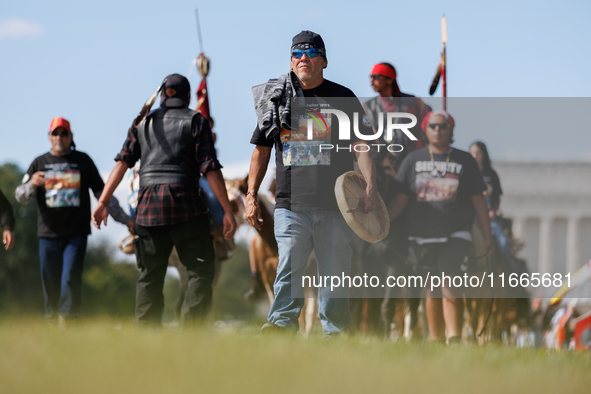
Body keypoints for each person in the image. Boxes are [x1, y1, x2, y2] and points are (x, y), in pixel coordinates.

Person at [246, 30, 378, 337]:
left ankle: (335, 332)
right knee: (290, 260)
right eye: (296, 53)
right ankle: (281, 324)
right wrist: (251, 195)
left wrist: (370, 185)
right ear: (291, 62)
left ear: (324, 60)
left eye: (310, 52)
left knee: (335, 271)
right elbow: (261, 151)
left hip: (336, 204)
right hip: (291, 202)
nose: (303, 58)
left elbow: (362, 146)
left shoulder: (343, 97)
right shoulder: (276, 97)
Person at [92, 74, 237, 324]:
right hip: (187, 208)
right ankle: (191, 331)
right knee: (201, 271)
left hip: (148, 209)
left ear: (161, 95)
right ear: (188, 97)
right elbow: (210, 169)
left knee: (150, 275)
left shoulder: (140, 122)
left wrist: (103, 201)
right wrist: (227, 210)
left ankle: (148, 336)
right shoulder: (196, 121)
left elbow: (122, 163)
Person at [387, 110, 492, 344]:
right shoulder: (412, 160)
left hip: (457, 232)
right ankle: (435, 338)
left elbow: (478, 199)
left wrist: (487, 234)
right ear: (425, 129)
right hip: (422, 235)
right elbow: (401, 199)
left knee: (449, 279)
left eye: (443, 126)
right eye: (433, 126)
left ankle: (454, 336)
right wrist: (380, 225)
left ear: (451, 130)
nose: (438, 130)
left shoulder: (465, 161)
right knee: (431, 286)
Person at [15, 117, 133, 324]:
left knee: (70, 278)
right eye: (55, 133)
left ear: (71, 137)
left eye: (64, 133)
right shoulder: (39, 163)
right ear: (49, 137)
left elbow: (103, 195)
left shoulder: (83, 161)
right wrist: (32, 184)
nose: (59, 137)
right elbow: (20, 196)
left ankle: (68, 321)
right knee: (50, 282)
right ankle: (51, 321)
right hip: (47, 235)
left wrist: (126, 220)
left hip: (76, 234)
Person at [363, 62, 432, 169]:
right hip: (382, 164)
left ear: (390, 80)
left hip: (413, 162)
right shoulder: (368, 106)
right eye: (370, 77)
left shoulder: (414, 102)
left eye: (375, 77)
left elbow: (431, 122)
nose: (371, 80)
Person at [469, 141, 514, 267]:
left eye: (477, 153)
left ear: (483, 154)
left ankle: (509, 273)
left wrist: (493, 211)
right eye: (471, 153)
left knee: (503, 242)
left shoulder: (491, 174)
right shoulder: (466, 174)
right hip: (470, 219)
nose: (474, 156)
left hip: (489, 220)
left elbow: (497, 197)